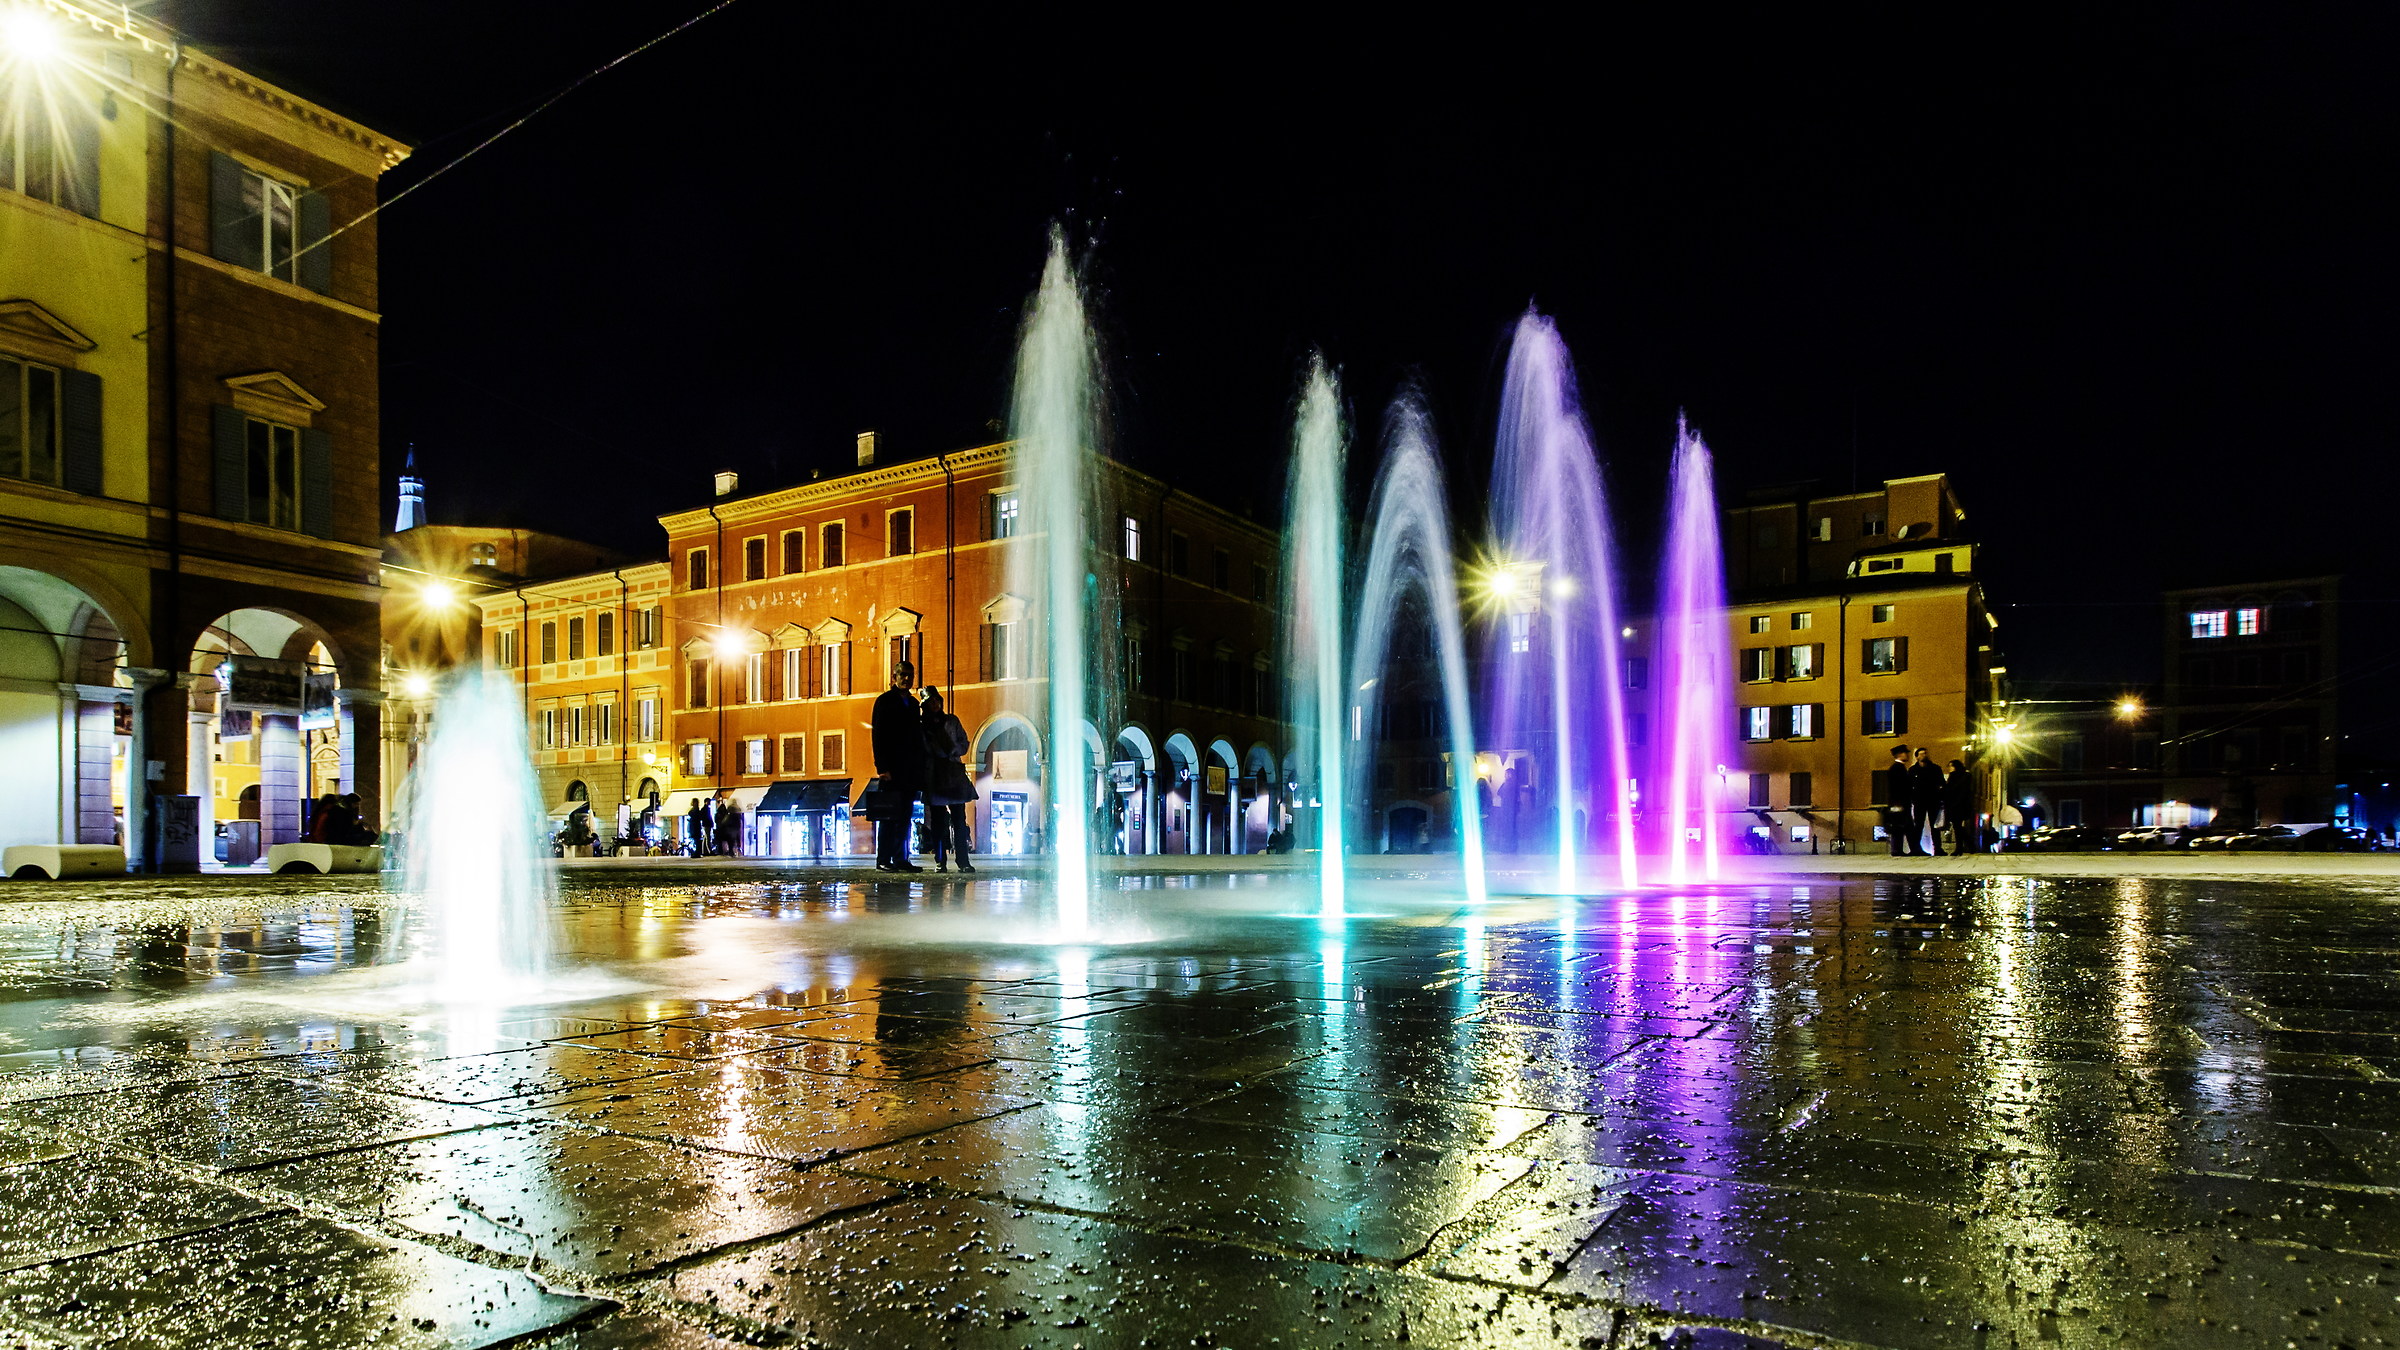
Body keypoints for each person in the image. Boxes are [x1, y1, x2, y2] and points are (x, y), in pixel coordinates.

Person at [871, 660, 925, 872]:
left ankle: (901, 859)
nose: (906, 679)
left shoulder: (913, 705)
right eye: (902, 674)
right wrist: (882, 767)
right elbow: (878, 735)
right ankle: (883, 859)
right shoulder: (884, 701)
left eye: (910, 675)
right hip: (891, 769)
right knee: (888, 816)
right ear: (894, 677)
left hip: (909, 770)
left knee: (905, 817)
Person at [918, 686, 977, 873]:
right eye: (931, 702)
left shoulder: (952, 721)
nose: (935, 704)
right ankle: (940, 861)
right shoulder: (922, 726)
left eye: (937, 700)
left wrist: (952, 750)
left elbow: (964, 742)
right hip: (934, 774)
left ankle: (963, 861)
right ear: (925, 705)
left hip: (952, 772)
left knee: (959, 820)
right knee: (937, 822)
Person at [1910, 747, 1948, 857]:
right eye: (1921, 754)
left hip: (1933, 801)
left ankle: (1938, 848)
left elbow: (1942, 784)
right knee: (1918, 825)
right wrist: (1913, 798)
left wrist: (1941, 798)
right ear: (1917, 757)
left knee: (1934, 826)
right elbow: (1909, 786)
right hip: (1919, 801)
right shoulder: (1912, 771)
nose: (1923, 756)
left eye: (1925, 753)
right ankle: (1916, 848)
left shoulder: (1936, 769)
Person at [1885, 746, 1916, 855]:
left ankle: (1908, 849)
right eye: (1905, 753)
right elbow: (1898, 787)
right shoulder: (1897, 768)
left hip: (1900, 802)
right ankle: (1898, 849)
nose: (1907, 755)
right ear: (1900, 754)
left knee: (1906, 826)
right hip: (1900, 803)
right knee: (1901, 827)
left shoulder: (1898, 768)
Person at [1943, 759, 1976, 855]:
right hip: (1962, 805)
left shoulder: (1954, 777)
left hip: (1956, 805)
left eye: (1950, 766)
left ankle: (1961, 847)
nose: (1949, 768)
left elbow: (1950, 790)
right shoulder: (1967, 776)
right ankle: (1967, 845)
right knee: (1958, 827)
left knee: (1957, 827)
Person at [712, 789, 742, 858]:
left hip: (730, 828)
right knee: (734, 839)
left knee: (730, 840)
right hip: (736, 827)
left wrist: (723, 824)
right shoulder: (738, 809)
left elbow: (725, 819)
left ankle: (730, 851)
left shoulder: (729, 810)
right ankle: (734, 850)